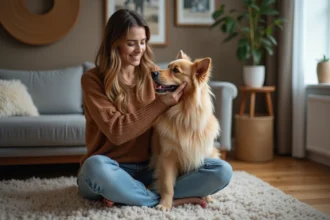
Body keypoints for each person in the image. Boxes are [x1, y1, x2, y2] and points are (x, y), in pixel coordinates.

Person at [77, 9, 233, 208]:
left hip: (149, 170)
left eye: (142, 42)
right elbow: (117, 132)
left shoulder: (154, 74)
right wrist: (161, 102)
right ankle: (163, 199)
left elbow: (186, 104)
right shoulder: (92, 80)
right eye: (131, 43)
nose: (139, 49)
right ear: (114, 44)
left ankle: (129, 194)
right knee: (94, 168)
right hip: (110, 168)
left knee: (221, 171)